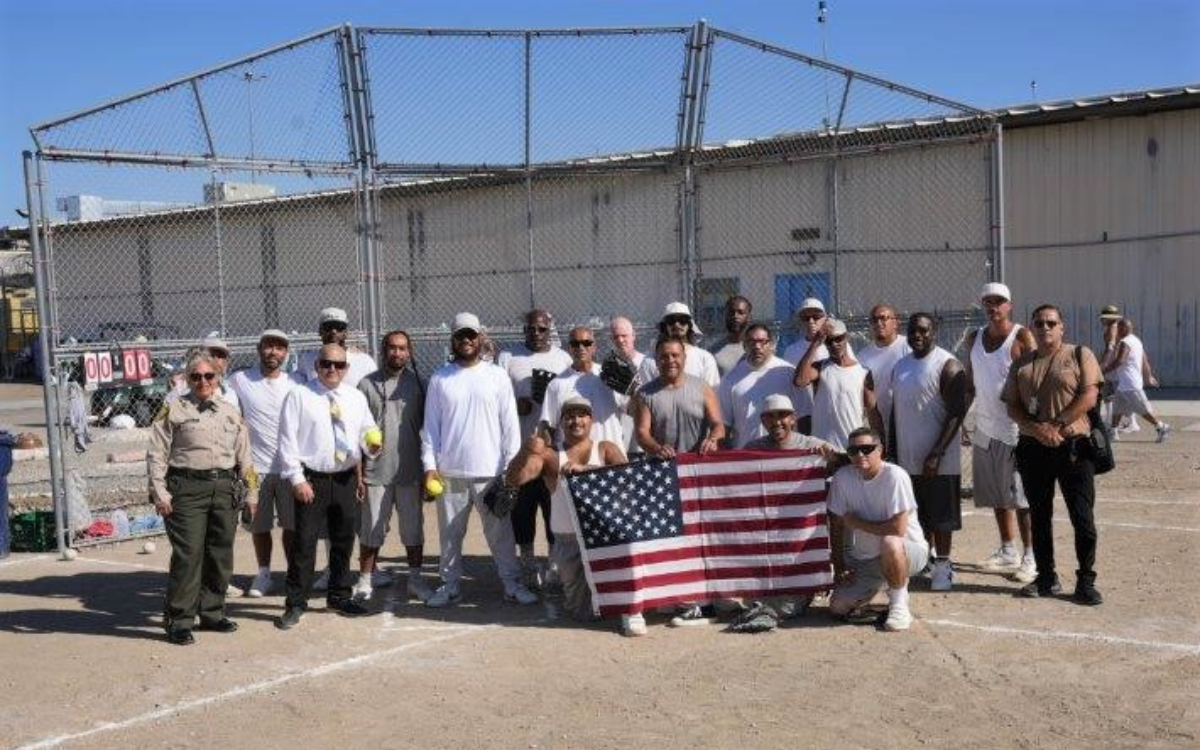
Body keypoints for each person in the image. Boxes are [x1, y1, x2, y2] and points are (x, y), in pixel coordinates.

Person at [421, 312, 539, 608]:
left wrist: (511, 470)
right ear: (453, 339)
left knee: (501, 534)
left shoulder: (496, 376)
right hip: (450, 473)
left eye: (471, 335)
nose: (466, 340)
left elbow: (510, 426)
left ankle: (511, 584)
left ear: (480, 338)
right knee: (450, 536)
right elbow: (430, 429)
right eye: (461, 335)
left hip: (492, 473)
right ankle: (449, 586)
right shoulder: (440, 378)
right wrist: (430, 468)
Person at [148, 351, 257, 645]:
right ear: (187, 378)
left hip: (224, 488)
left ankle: (212, 612)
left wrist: (253, 492)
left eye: (209, 376)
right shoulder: (173, 409)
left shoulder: (230, 412)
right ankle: (179, 619)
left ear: (218, 378)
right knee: (189, 555)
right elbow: (156, 454)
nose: (203, 382)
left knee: (220, 554)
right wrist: (160, 492)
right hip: (186, 489)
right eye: (196, 377)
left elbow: (246, 458)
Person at [1002, 304, 1104, 605]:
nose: (1045, 328)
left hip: (1073, 447)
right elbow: (1012, 406)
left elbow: (1089, 395)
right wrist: (1037, 429)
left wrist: (1057, 424)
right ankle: (1046, 577)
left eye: (1051, 323)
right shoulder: (1020, 364)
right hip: (1034, 448)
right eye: (1039, 323)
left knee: (1082, 517)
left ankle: (1086, 580)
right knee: (1040, 516)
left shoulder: (1079, 355)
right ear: (1032, 328)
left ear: (1062, 327)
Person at [274, 343, 381, 630]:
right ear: (316, 365)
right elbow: (287, 442)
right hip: (313, 479)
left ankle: (339, 595)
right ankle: (296, 603)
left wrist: (372, 445)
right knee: (304, 544)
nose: (332, 369)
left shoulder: (355, 397)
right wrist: (297, 479)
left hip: (345, 478)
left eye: (338, 364)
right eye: (326, 364)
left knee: (344, 541)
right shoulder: (299, 395)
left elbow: (366, 430)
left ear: (346, 368)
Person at [505, 396, 628, 630]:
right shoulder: (551, 456)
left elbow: (625, 479)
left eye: (581, 415)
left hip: (604, 538)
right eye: (569, 416)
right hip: (568, 539)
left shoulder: (606, 448)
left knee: (615, 602)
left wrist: (588, 470)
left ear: (591, 420)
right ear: (561, 423)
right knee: (583, 614)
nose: (576, 421)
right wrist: (526, 450)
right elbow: (514, 479)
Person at [632, 337, 725, 627]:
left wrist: (713, 438)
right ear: (656, 359)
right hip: (662, 476)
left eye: (675, 355)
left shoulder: (701, 387)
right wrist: (656, 448)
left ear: (684, 357)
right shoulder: (646, 393)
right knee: (668, 537)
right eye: (664, 356)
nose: (669, 360)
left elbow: (719, 424)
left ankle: (703, 602)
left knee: (699, 537)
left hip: (698, 475)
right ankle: (675, 595)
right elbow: (642, 433)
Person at [963, 282, 1037, 583]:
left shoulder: (1021, 336)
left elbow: (1034, 378)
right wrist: (960, 422)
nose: (994, 307)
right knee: (996, 492)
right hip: (983, 426)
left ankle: (1031, 556)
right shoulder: (974, 337)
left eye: (999, 302)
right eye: (988, 302)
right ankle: (1008, 549)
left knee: (1021, 496)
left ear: (1009, 305)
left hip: (1015, 429)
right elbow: (970, 382)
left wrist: (1034, 420)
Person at [354, 330, 433, 603]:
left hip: (410, 474)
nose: (397, 353)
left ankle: (415, 580)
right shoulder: (365, 385)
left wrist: (428, 471)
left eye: (402, 349)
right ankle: (365, 579)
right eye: (391, 348)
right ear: (382, 350)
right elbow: (356, 434)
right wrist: (359, 475)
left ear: (409, 353)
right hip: (376, 474)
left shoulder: (420, 385)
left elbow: (429, 432)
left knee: (413, 530)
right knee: (371, 529)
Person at [891, 313, 968, 592]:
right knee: (918, 516)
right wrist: (891, 449)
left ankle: (944, 567)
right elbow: (895, 412)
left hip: (940, 460)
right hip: (908, 457)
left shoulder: (947, 364)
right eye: (913, 331)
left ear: (934, 331)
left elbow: (957, 413)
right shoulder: (900, 366)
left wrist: (937, 452)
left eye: (923, 330)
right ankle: (925, 561)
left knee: (941, 518)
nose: (917, 336)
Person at [497, 309, 574, 587]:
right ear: (525, 330)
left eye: (541, 329)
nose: (536, 333)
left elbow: (571, 395)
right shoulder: (508, 357)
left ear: (549, 328)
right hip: (521, 448)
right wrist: (516, 405)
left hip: (553, 447)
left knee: (554, 507)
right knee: (522, 509)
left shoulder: (563, 358)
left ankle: (554, 563)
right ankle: (528, 562)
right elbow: (500, 397)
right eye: (531, 329)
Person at [827, 427, 929, 632]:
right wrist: (839, 567)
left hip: (909, 551)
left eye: (867, 449)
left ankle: (899, 603)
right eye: (853, 451)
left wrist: (856, 523)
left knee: (890, 542)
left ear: (880, 450)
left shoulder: (895, 476)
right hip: (867, 559)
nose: (860, 455)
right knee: (838, 607)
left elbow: (898, 528)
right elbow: (837, 527)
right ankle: (883, 589)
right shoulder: (842, 478)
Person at [226, 329, 296, 598]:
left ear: (286, 353)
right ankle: (264, 574)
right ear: (259, 349)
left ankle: (292, 575)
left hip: (290, 468)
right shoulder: (240, 380)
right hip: (255, 468)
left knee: (291, 526)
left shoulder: (294, 382)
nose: (273, 352)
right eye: (269, 346)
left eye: (279, 347)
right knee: (260, 525)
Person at [793, 318, 883, 450]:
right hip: (823, 448)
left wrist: (879, 444)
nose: (834, 344)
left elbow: (872, 412)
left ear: (846, 338)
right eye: (829, 341)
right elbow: (799, 380)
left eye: (838, 339)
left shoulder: (863, 372)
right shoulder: (820, 368)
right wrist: (815, 344)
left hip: (852, 448)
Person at [541, 325, 624, 447]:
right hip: (572, 462)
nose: (581, 347)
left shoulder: (612, 377)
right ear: (569, 348)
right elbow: (548, 427)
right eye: (575, 344)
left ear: (594, 347)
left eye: (586, 343)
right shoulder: (556, 384)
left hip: (611, 458)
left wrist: (633, 391)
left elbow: (632, 410)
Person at [718, 323, 797, 448]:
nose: (757, 347)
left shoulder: (789, 373)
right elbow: (724, 424)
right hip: (747, 456)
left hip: (784, 455)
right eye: (751, 342)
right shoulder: (730, 379)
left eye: (762, 342)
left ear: (771, 344)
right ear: (744, 345)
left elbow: (801, 416)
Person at [1105, 318, 1171, 442]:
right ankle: (1113, 433)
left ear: (1124, 328)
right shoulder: (1136, 341)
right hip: (1124, 385)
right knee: (1117, 409)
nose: (1117, 331)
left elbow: (1120, 360)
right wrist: (1149, 375)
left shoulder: (1125, 342)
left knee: (1143, 410)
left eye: (1118, 328)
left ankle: (1162, 427)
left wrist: (1104, 370)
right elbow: (1144, 360)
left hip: (1131, 385)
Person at [855, 303, 910, 446]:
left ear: (895, 322)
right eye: (874, 320)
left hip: (909, 420)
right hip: (879, 423)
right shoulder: (862, 356)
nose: (879, 323)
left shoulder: (909, 347)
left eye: (883, 318)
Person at [635, 302, 720, 389]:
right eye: (671, 321)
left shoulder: (705, 358)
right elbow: (647, 396)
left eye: (682, 320)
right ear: (665, 326)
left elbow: (713, 392)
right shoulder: (650, 361)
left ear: (689, 325)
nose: (677, 324)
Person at [296, 307, 377, 387]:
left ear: (346, 332)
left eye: (339, 327)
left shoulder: (364, 361)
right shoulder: (307, 360)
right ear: (320, 331)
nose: (333, 332)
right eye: (328, 327)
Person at [608, 316, 646, 456]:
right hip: (622, 438)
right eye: (616, 337)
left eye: (624, 336)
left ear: (633, 336)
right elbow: (621, 405)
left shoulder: (647, 362)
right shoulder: (610, 368)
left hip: (647, 439)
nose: (620, 340)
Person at [710, 295, 752, 376]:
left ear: (749, 317)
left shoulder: (757, 348)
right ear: (725, 316)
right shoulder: (713, 351)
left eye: (740, 312)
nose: (735, 316)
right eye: (731, 312)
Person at [1097, 305, 1123, 431]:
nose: (1101, 320)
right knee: (1119, 395)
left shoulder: (1111, 329)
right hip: (1116, 365)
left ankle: (1109, 422)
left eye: (1104, 318)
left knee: (1108, 395)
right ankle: (1130, 423)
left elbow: (1110, 348)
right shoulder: (1118, 328)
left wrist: (1102, 365)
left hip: (1110, 365)